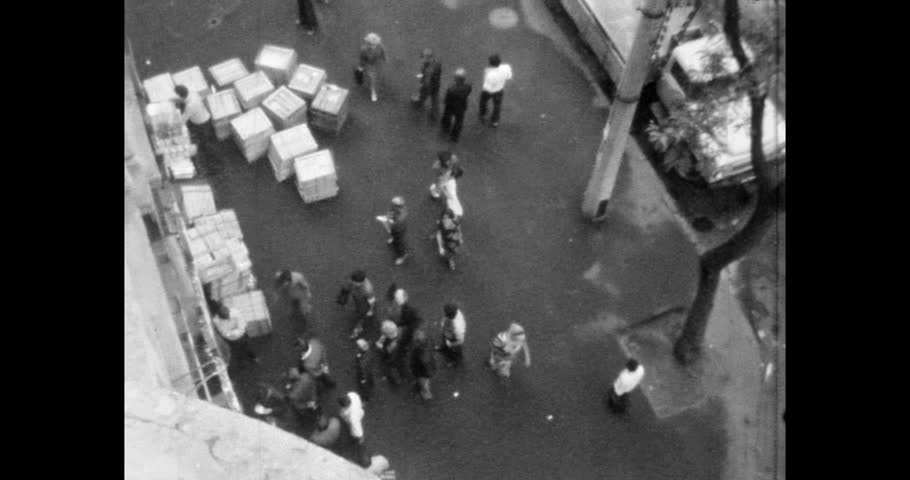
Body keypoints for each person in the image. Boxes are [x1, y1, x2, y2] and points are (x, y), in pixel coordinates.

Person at [174, 84, 218, 175]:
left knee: (205, 144)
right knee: (206, 142)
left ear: (180, 95)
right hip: (205, 118)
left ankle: (212, 167)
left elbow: (183, 120)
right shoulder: (193, 93)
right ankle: (211, 161)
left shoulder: (190, 106)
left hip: (201, 124)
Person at [337, 270, 376, 338]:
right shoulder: (353, 280)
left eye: (355, 282)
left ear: (361, 282)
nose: (353, 283)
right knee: (358, 308)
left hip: (364, 302)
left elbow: (372, 301)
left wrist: (371, 310)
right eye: (352, 281)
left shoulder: (368, 290)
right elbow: (348, 287)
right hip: (357, 297)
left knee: (362, 315)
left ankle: (358, 329)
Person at [478, 54, 513, 127]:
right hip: (499, 90)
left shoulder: (489, 73)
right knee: (497, 105)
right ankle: (495, 121)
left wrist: (487, 72)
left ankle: (483, 114)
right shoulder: (506, 67)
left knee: (483, 101)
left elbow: (487, 83)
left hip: (488, 90)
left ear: (490, 63)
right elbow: (509, 77)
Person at [440, 68, 472, 142]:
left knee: (447, 116)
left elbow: (447, 97)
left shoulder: (451, 88)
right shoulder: (468, 86)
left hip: (450, 105)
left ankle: (446, 127)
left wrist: (445, 102)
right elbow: (468, 92)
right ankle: (454, 136)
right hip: (461, 106)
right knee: (459, 121)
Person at [411, 48, 443, 119]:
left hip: (428, 86)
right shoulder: (437, 63)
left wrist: (421, 82)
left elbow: (426, 80)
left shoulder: (428, 69)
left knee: (423, 95)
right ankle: (435, 113)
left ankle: (418, 103)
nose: (422, 59)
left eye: (423, 57)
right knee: (434, 98)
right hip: (436, 84)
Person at [377, 197, 409, 265]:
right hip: (395, 228)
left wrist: (387, 222)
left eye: (393, 204)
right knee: (394, 235)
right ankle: (394, 239)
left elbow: (396, 223)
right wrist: (387, 218)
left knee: (399, 243)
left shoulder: (402, 214)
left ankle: (402, 256)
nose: (392, 205)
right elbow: (390, 214)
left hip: (399, 230)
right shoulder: (394, 209)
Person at [358, 33, 387, 102]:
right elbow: (362, 59)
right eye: (370, 44)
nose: (372, 46)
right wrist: (361, 66)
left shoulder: (380, 46)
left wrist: (384, 58)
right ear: (367, 43)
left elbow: (383, 52)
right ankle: (373, 92)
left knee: (377, 75)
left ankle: (362, 76)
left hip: (376, 63)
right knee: (372, 79)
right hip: (369, 64)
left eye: (374, 44)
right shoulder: (364, 49)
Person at [375, 320, 405, 385]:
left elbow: (385, 352)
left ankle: (397, 380)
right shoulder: (399, 330)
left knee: (391, 367)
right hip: (399, 351)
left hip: (392, 358)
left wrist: (380, 346)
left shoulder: (392, 345)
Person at [409, 329, 436, 400]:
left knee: (423, 383)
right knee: (425, 381)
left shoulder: (419, 354)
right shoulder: (429, 342)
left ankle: (427, 394)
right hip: (428, 369)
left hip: (422, 373)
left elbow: (415, 364)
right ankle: (425, 390)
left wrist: (414, 372)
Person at [354, 338, 376, 402]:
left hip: (363, 373)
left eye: (358, 346)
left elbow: (362, 368)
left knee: (364, 385)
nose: (357, 347)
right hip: (369, 369)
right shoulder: (368, 350)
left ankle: (366, 396)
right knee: (370, 376)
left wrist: (363, 378)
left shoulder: (363, 360)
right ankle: (371, 383)